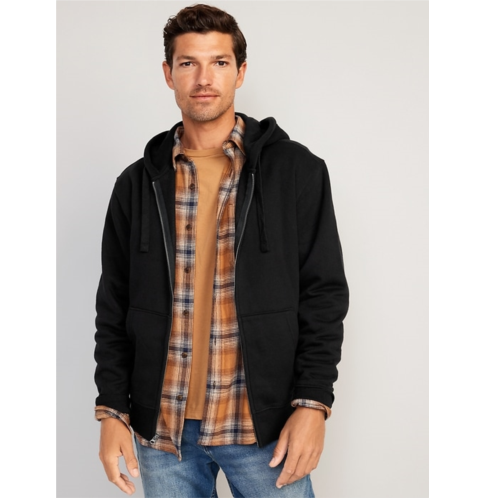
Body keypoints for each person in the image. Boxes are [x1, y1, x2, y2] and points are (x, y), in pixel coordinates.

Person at [94, 4, 349, 497]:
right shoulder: (137, 184)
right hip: (162, 430)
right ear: (168, 73)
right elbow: (114, 305)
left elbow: (324, 294)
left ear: (241, 72)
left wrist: (313, 404)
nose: (204, 78)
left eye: (220, 62)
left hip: (262, 427)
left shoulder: (296, 171)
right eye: (188, 63)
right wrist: (112, 411)